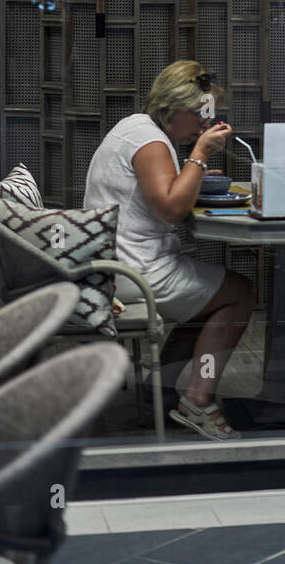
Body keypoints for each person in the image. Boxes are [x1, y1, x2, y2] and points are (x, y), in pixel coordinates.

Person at [84, 61, 254, 440]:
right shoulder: (153, 144)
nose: (205, 126)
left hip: (113, 261)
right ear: (176, 108)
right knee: (239, 296)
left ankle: (160, 388)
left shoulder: (135, 128)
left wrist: (191, 173)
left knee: (210, 300)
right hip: (132, 271)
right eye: (200, 116)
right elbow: (172, 208)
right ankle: (199, 399)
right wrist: (199, 155)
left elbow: (158, 193)